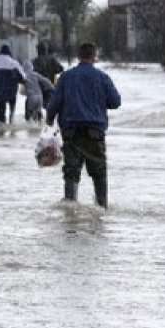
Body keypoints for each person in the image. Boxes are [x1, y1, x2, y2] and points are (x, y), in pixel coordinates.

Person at [46, 42, 121, 208]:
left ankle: (70, 209)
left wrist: (49, 119)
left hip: (71, 134)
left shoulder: (66, 77)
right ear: (94, 57)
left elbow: (54, 103)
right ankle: (102, 207)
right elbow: (115, 102)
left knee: (71, 173)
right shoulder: (102, 77)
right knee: (99, 173)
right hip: (95, 134)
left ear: (78, 57)